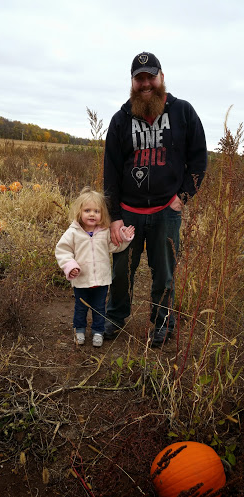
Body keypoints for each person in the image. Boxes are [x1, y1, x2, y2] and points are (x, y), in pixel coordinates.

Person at [104, 51, 207, 347]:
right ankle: (115, 317)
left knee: (164, 273)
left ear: (162, 77)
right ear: (132, 83)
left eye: (151, 76)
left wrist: (182, 197)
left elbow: (199, 159)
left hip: (167, 211)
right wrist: (115, 216)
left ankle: (163, 323)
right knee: (121, 270)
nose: (146, 83)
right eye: (139, 78)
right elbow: (110, 172)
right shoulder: (121, 119)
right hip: (128, 212)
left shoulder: (183, 112)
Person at [55, 187, 135, 347]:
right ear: (79, 212)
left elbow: (115, 246)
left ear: (102, 214)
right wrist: (70, 266)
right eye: (87, 210)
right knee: (81, 307)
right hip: (81, 279)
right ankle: (79, 330)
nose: (92, 214)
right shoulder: (73, 233)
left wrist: (125, 238)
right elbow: (62, 251)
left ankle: (98, 331)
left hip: (101, 280)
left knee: (99, 308)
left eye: (96, 211)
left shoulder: (104, 232)